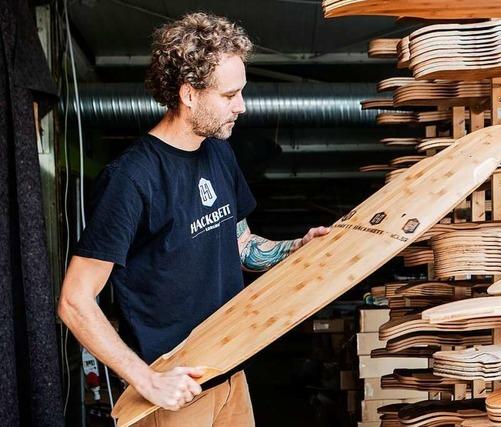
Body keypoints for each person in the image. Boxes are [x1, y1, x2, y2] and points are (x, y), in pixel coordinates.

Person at [57, 12, 329, 426]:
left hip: (228, 373)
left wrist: (296, 248)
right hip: (172, 394)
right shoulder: (132, 179)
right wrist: (147, 381)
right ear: (188, 94)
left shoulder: (218, 152)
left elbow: (240, 245)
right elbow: (74, 301)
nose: (241, 106)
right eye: (229, 95)